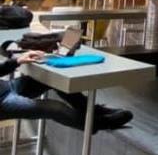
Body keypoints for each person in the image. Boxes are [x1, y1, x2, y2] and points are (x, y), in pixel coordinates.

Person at [0, 51, 132, 132]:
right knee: (54, 109)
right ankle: (99, 124)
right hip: (3, 103)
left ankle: (91, 110)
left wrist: (17, 61)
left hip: (7, 87)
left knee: (50, 78)